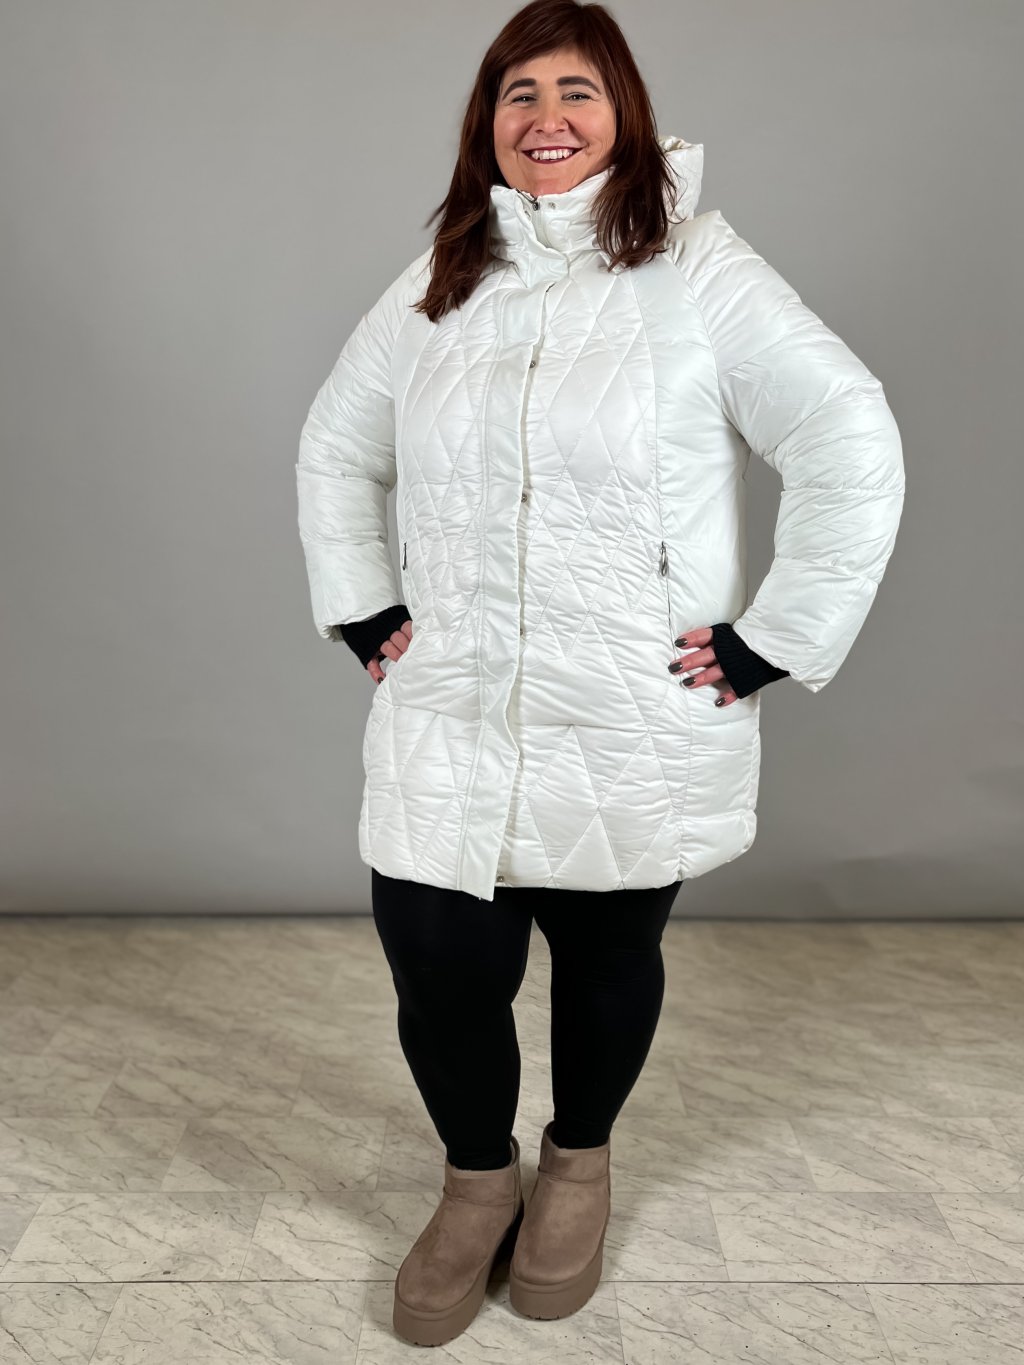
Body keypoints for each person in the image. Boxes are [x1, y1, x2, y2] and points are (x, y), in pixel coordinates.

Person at [295, 0, 904, 1347]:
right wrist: (363, 603)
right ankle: (476, 1179)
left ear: (623, 111)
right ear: (488, 124)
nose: (548, 118)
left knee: (605, 957)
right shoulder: (444, 275)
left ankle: (578, 1162)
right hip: (455, 704)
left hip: (629, 706)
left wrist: (776, 636)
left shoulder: (697, 265)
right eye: (518, 94)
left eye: (577, 90)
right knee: (438, 964)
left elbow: (847, 432)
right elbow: (338, 444)